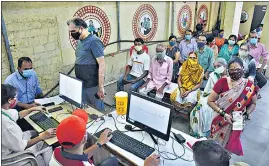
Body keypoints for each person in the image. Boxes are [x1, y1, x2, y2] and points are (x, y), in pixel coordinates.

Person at [49, 110, 160, 166]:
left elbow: (78, 156)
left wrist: (98, 143)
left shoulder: (57, 151)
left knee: (112, 160)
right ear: (84, 139)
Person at [207, 57, 257, 156]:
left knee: (230, 146)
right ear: (228, 70)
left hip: (238, 120)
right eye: (232, 70)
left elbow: (253, 103)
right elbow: (210, 101)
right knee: (214, 147)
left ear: (243, 68)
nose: (235, 72)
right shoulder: (222, 82)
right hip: (220, 118)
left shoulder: (249, 85)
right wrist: (224, 114)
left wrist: (246, 114)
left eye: (238, 69)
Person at [2, 84, 55, 166]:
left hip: (12, 141)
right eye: (15, 97)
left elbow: (17, 115)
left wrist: (32, 109)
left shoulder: (3, 110)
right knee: (47, 143)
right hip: (10, 155)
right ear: (9, 100)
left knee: (35, 132)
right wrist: (42, 136)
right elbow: (21, 146)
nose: (16, 99)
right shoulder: (6, 125)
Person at [67, 18, 105, 111]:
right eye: (70, 31)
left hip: (92, 84)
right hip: (81, 82)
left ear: (81, 28)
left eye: (73, 31)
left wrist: (100, 87)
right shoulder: (80, 40)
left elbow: (102, 65)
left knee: (97, 111)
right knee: (85, 110)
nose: (72, 34)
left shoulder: (94, 41)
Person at [190, 58, 227, 138]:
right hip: (211, 97)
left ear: (225, 66)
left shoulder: (229, 77)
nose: (217, 68)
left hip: (223, 100)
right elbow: (207, 89)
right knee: (198, 109)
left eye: (219, 66)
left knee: (209, 111)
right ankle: (197, 132)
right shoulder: (213, 75)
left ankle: (207, 133)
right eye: (215, 66)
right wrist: (203, 98)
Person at [5, 57, 43, 131]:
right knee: (28, 127)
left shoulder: (33, 75)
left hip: (32, 104)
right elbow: (12, 101)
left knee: (45, 121)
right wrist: (27, 106)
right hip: (18, 108)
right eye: (26, 69)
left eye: (30, 68)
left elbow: (37, 88)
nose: (29, 71)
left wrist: (42, 100)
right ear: (19, 69)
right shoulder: (10, 81)